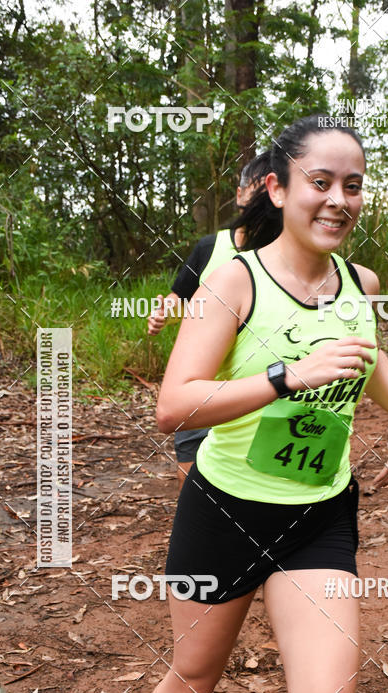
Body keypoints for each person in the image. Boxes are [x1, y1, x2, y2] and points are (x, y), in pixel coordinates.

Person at [117, 114, 388, 693]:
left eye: (352, 184)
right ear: (279, 188)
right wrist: (289, 374)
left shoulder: (363, 285)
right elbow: (173, 407)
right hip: (223, 510)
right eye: (321, 181)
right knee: (194, 678)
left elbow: (365, 348)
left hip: (319, 514)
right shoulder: (234, 279)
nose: (339, 198)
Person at [148, 152, 271, 488]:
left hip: (255, 391)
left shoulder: (281, 254)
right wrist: (162, 315)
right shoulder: (209, 247)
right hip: (200, 388)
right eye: (256, 186)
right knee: (193, 486)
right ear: (241, 193)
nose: (262, 195)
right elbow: (180, 298)